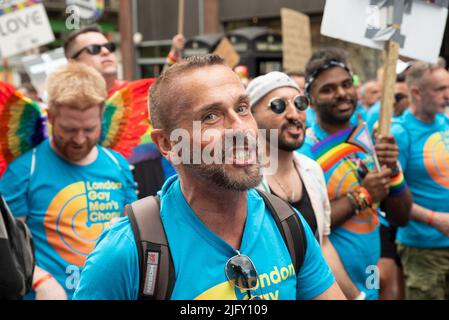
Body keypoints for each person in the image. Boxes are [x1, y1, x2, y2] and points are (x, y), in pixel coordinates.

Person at [73, 54, 345, 300]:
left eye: (241, 108)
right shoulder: (128, 252)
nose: (241, 129)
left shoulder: (287, 225)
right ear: (168, 144)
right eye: (211, 116)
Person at [0, 62, 137, 299]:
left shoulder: (118, 165)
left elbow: (130, 233)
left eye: (89, 128)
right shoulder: (25, 169)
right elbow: (9, 246)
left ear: (102, 113)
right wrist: (41, 279)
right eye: (69, 129)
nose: (80, 139)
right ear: (51, 115)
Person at [298, 48, 412, 300]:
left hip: (368, 280)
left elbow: (401, 217)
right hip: (327, 287)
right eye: (328, 89)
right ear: (310, 98)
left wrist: (392, 169)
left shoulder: (371, 139)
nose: (341, 93)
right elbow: (305, 228)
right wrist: (363, 195)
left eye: (346, 84)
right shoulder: (303, 152)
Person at [248, 71, 363, 300]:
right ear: (251, 117)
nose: (294, 114)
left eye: (300, 103)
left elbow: (323, 247)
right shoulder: (243, 183)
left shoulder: (312, 171)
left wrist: (356, 297)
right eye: (279, 106)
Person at [64, 25, 181, 197]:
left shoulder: (142, 94)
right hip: (100, 199)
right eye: (94, 49)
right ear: (73, 62)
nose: (105, 52)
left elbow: (167, 79)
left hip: (159, 196)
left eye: (109, 47)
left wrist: (175, 53)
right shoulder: (63, 110)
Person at [390, 61, 449, 300]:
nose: (447, 95)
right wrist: (435, 219)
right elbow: (391, 197)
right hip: (423, 248)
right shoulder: (399, 133)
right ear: (416, 92)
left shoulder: (445, 122)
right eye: (440, 89)